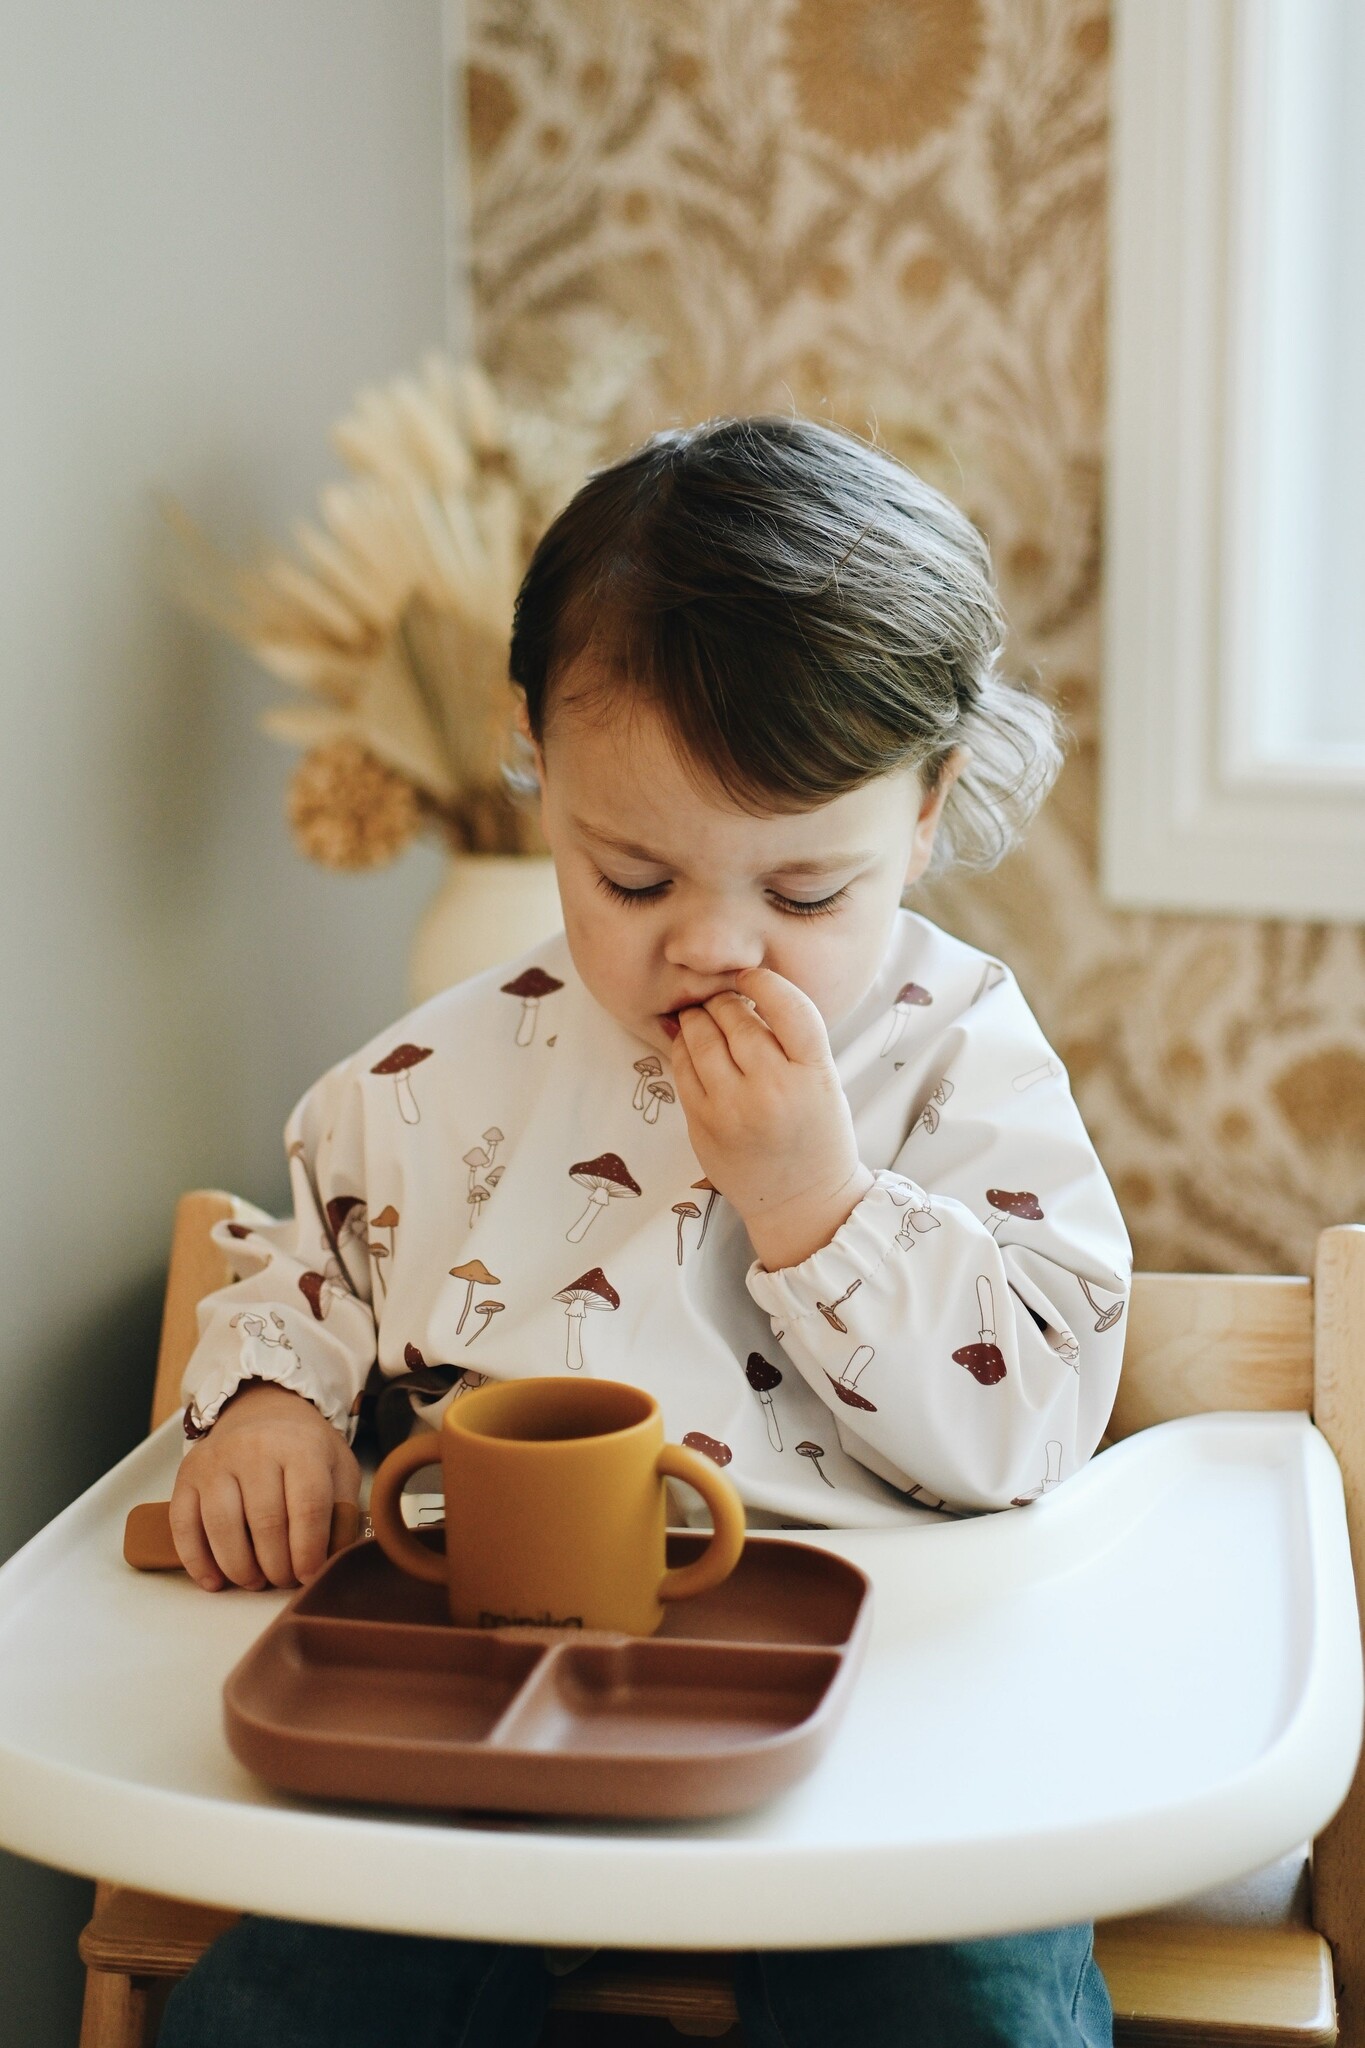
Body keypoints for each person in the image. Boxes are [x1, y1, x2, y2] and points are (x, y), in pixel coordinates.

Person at [159, 414, 1127, 2048]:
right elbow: (306, 1257)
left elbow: (1038, 1410)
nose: (714, 950)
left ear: (926, 807)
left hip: (886, 1687)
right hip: (497, 1657)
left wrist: (815, 1206)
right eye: (631, 878)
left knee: (973, 2008)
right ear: (533, 760)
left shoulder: (956, 1056)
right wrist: (266, 1401)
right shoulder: (437, 1075)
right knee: (286, 2007)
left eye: (805, 896)